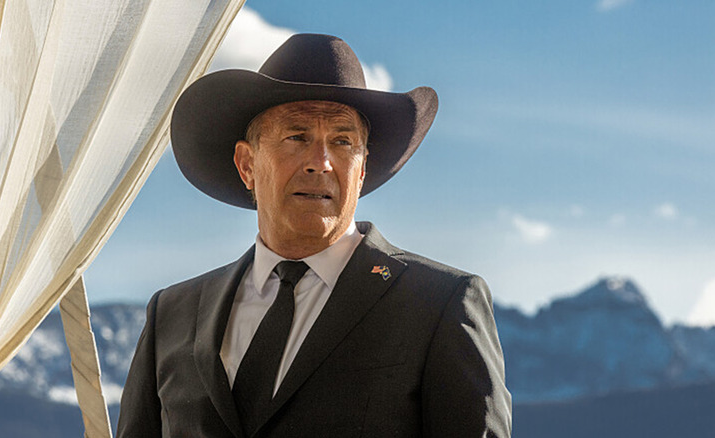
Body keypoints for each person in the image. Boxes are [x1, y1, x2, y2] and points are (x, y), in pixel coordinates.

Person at [116, 33, 511, 438]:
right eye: (297, 137)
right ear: (247, 164)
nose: (320, 163)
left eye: (342, 141)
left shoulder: (439, 304)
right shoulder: (171, 314)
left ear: (361, 170)